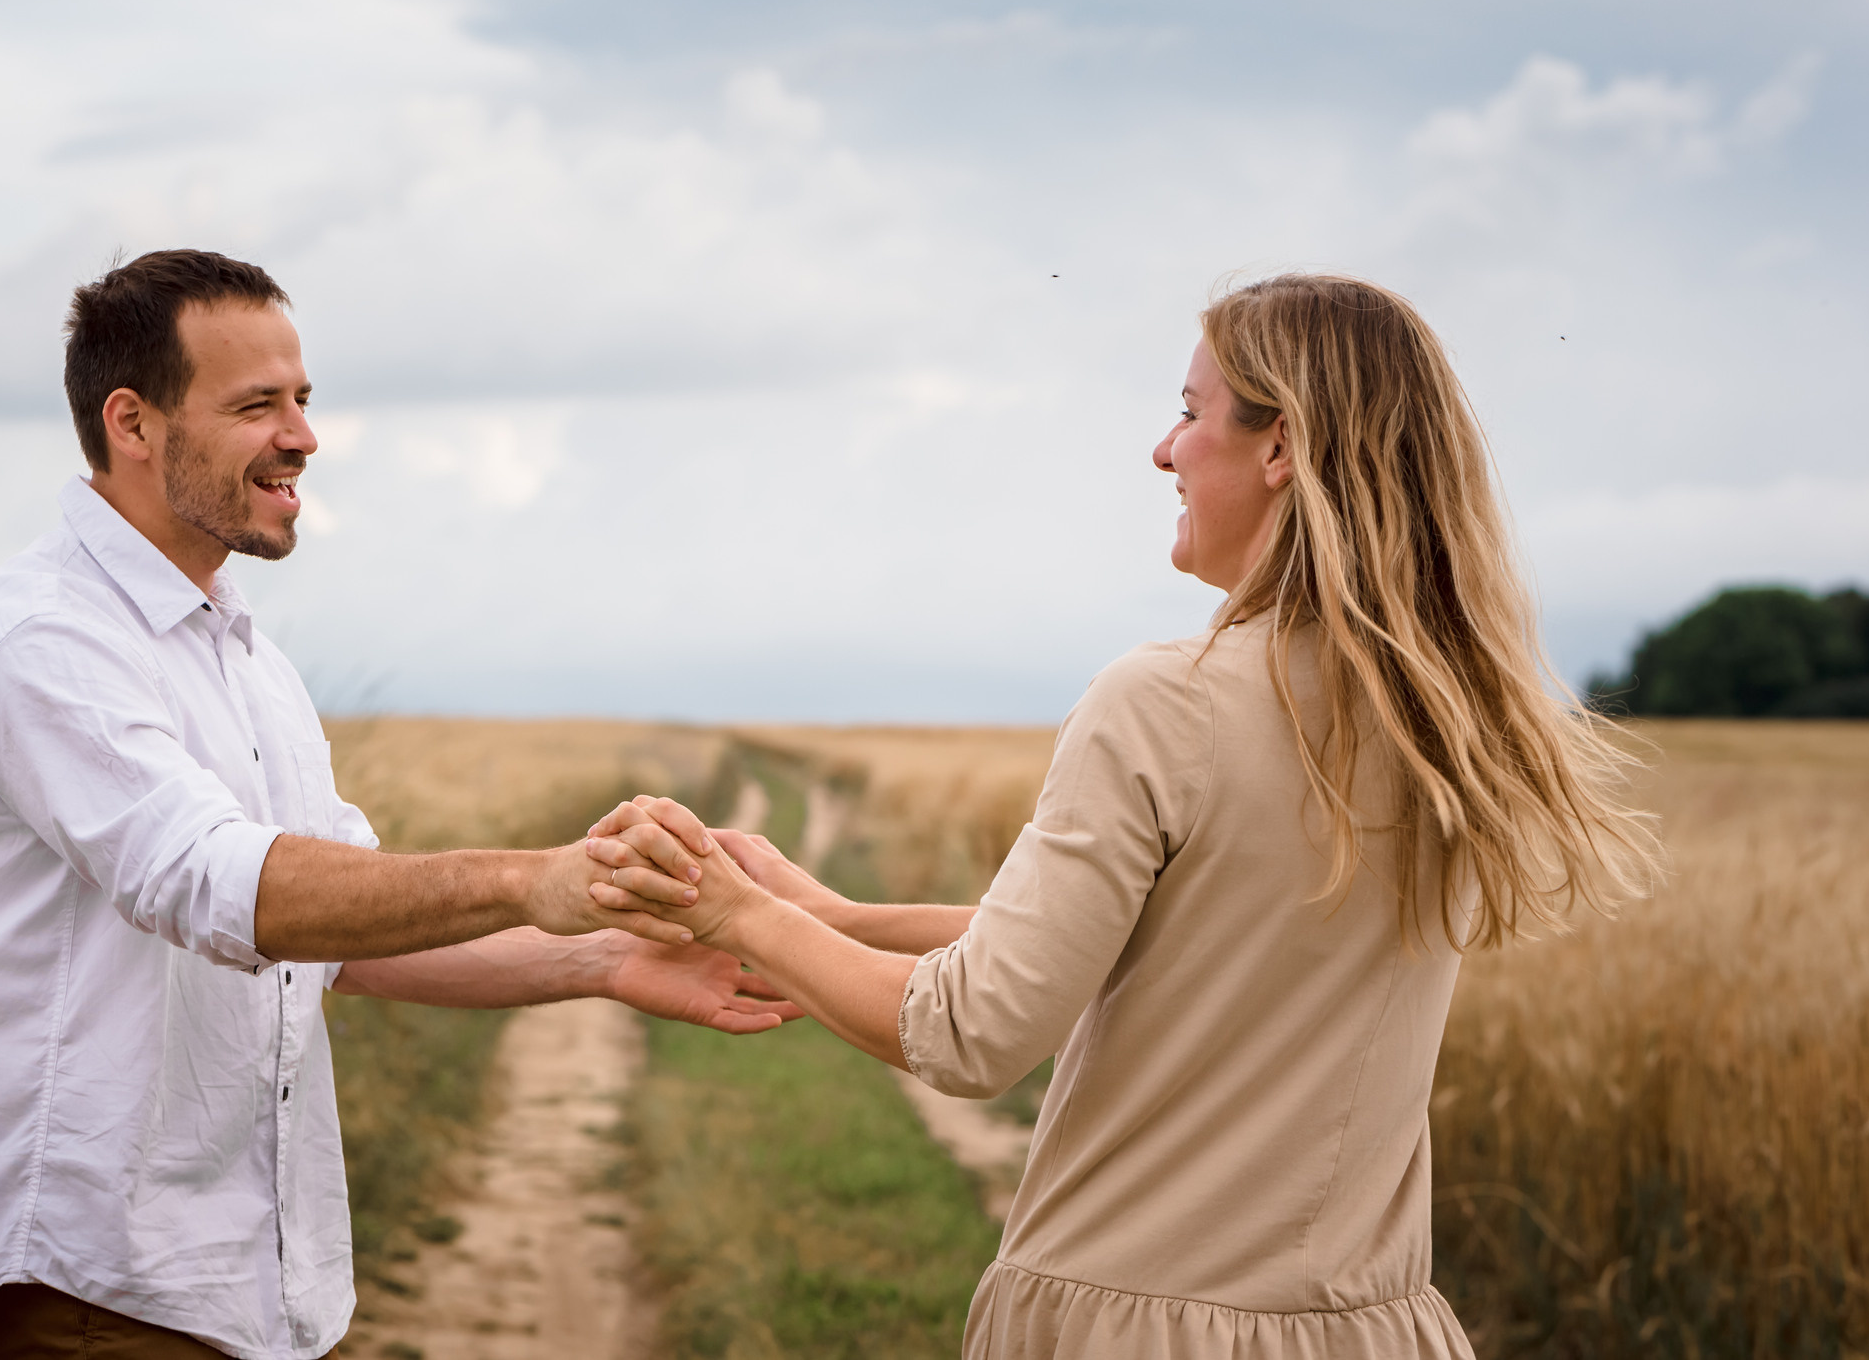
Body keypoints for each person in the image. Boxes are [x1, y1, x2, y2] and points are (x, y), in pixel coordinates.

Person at [584, 273, 1663, 1360]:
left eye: (1191, 412)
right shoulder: (1448, 725)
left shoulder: (1166, 699)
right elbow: (1171, 946)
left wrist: (730, 910)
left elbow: (971, 1032)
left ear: (1279, 446)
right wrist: (838, 917)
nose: (1163, 450)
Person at [0, 249, 793, 1360]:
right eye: (256, 403)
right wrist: (530, 878)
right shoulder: (50, 641)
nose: (303, 436)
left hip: (219, 1287)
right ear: (134, 422)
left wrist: (598, 959)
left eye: (302, 400)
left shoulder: (242, 656)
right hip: (83, 1281)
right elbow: (223, 887)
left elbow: (339, 939)